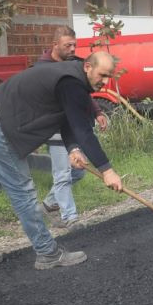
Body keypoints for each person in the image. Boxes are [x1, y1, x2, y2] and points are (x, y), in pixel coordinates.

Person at [0, 51, 124, 271]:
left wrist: (72, 148)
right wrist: (107, 170)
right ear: (87, 67)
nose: (104, 81)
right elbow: (83, 131)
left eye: (108, 76)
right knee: (24, 194)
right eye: (102, 75)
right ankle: (47, 253)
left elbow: (67, 118)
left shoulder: (69, 78)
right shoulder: (71, 83)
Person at [35, 27, 108, 229]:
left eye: (75, 44)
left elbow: (83, 94)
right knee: (63, 174)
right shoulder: (43, 68)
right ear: (55, 45)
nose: (73, 48)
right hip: (57, 126)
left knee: (78, 172)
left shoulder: (76, 65)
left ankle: (49, 204)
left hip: (74, 126)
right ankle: (70, 218)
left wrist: (97, 112)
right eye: (68, 45)